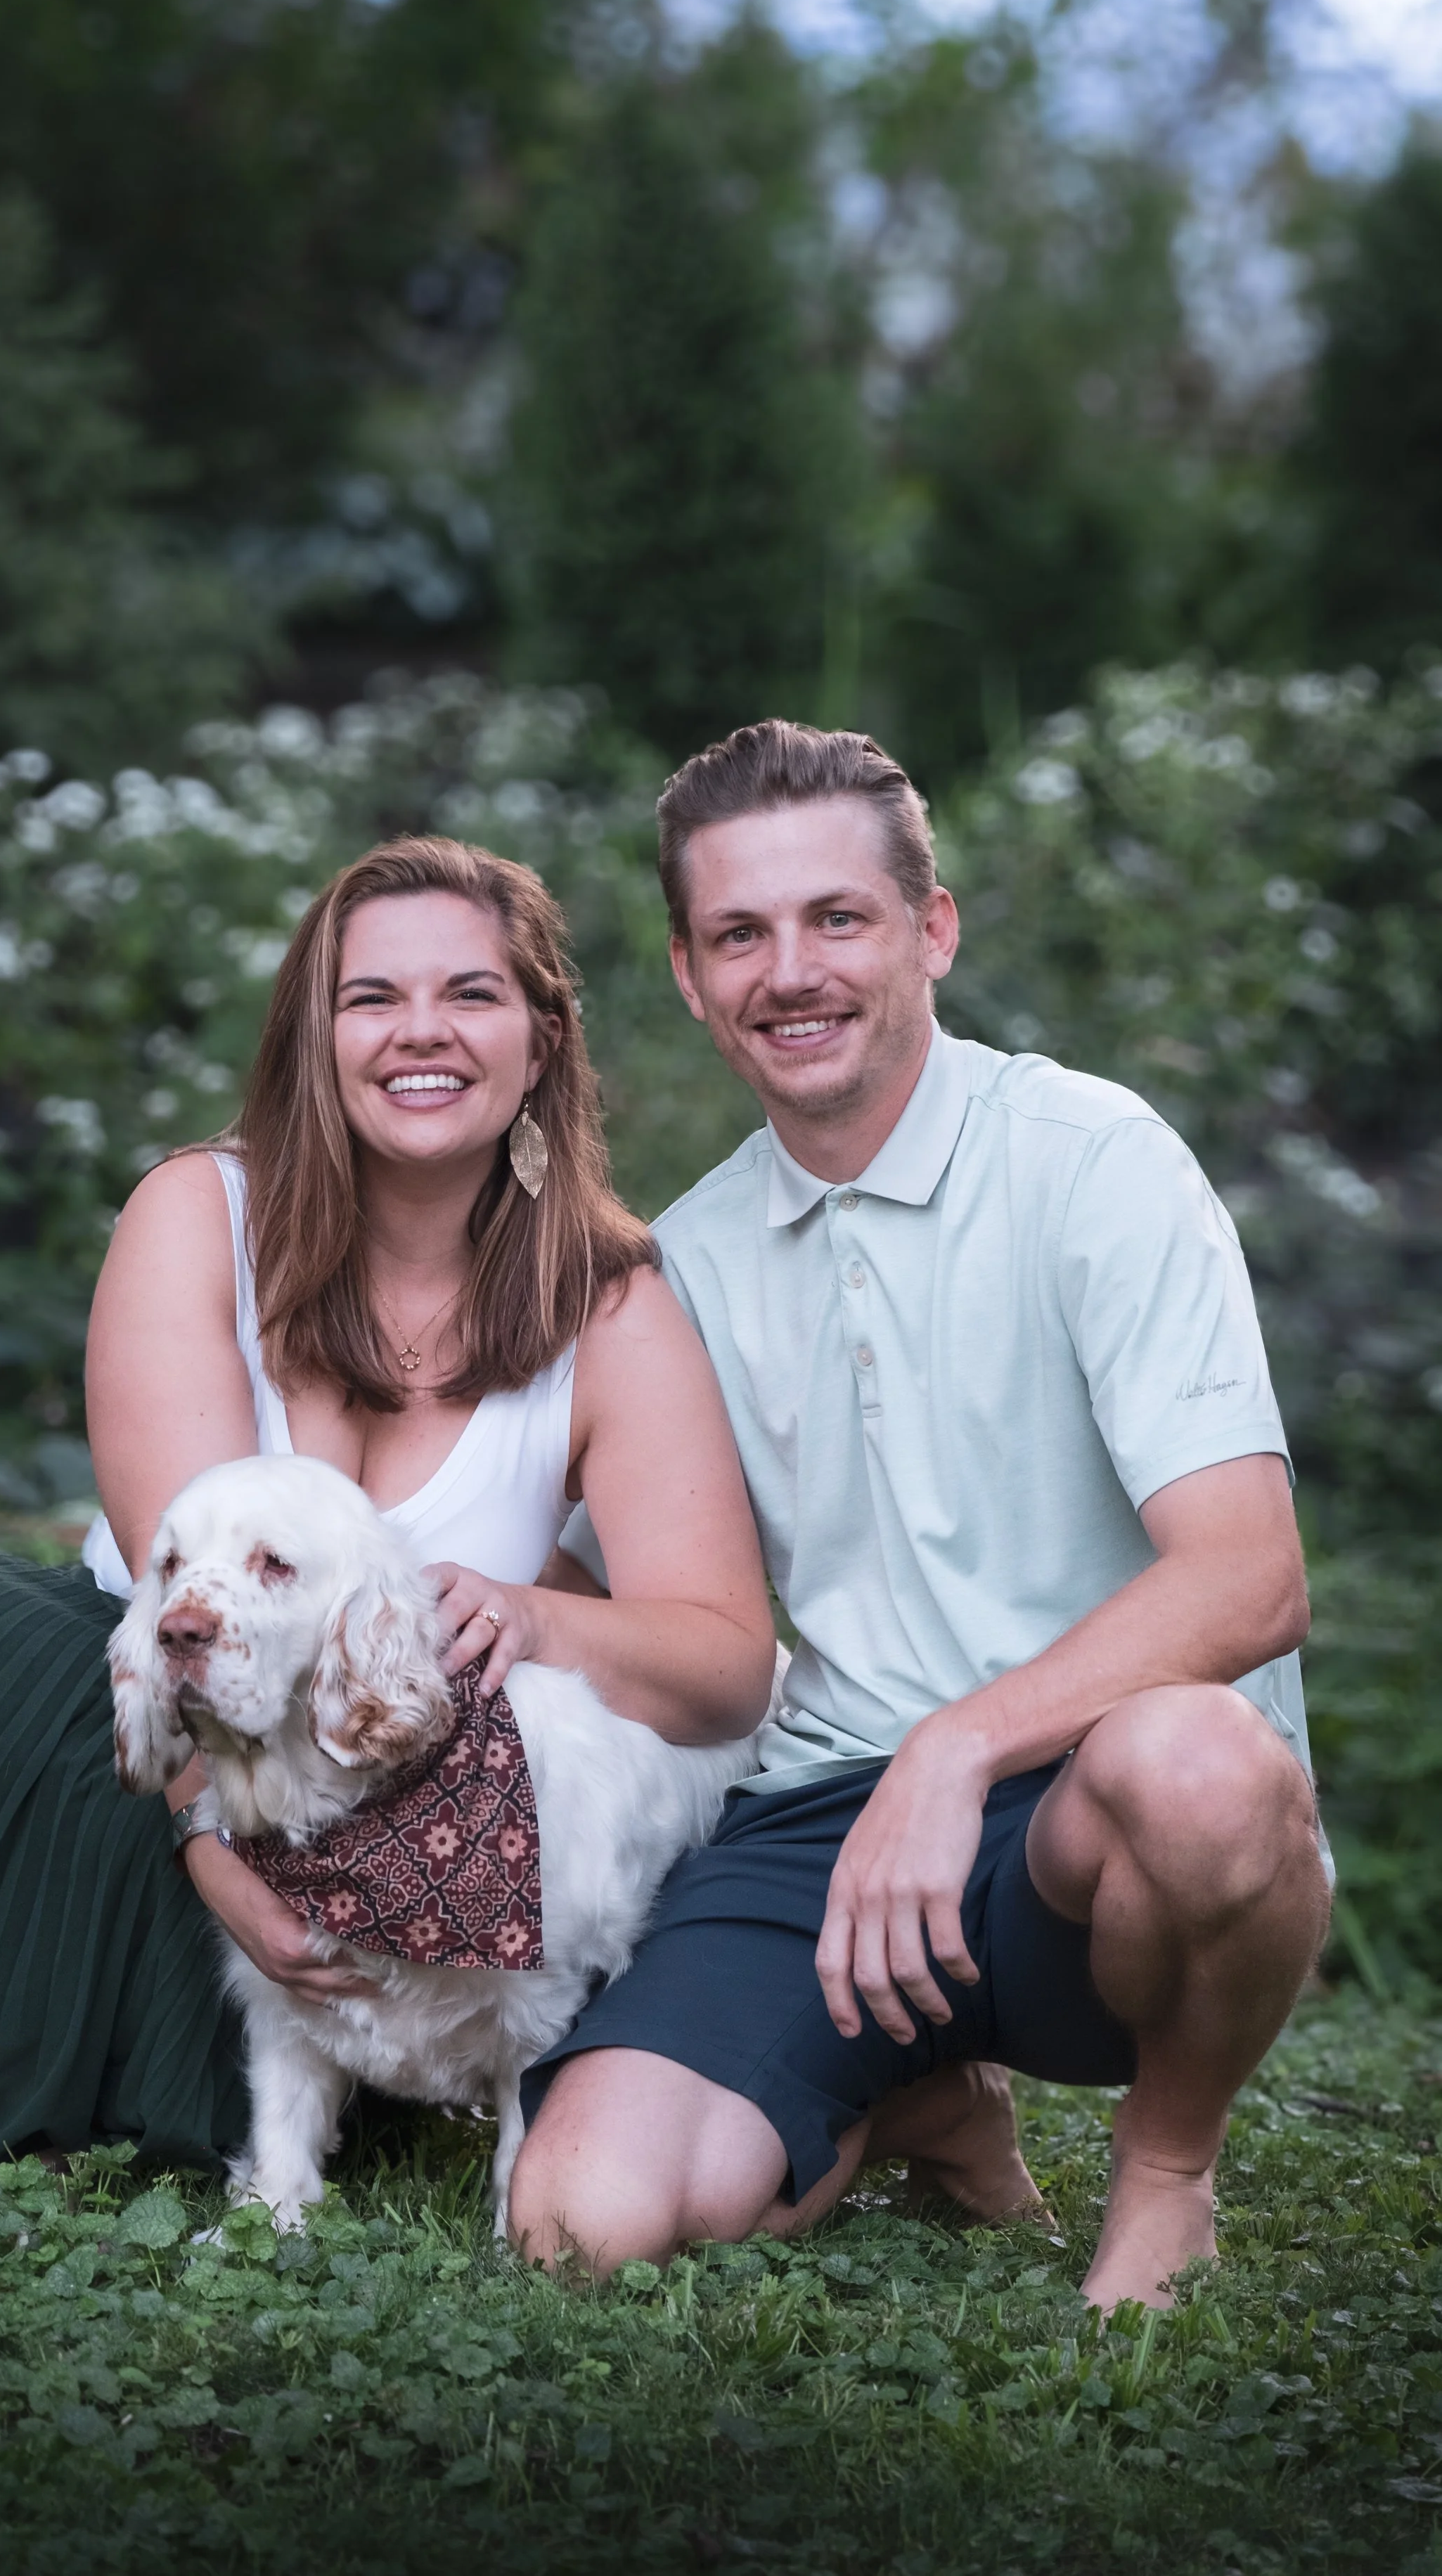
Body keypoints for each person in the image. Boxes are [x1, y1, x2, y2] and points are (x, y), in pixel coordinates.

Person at [0, 835, 780, 2166]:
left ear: (543, 1038)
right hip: (141, 1745)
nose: (420, 1032)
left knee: (406, 1818)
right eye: (371, 997)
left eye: (472, 994)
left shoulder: (610, 1306)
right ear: (315, 1035)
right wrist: (208, 1837)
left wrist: (544, 1618)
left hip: (394, 1802)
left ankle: (282, 2070)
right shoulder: (197, 1211)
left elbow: (727, 1664)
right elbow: (179, 1616)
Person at [510, 721, 1332, 2312]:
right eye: (739, 934)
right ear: (687, 976)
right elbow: (611, 1595)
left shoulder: (1094, 1162)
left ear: (931, 929)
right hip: (821, 1822)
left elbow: (1249, 1577)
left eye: (837, 918)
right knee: (581, 2223)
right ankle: (927, 2101)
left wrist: (956, 1749)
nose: (790, 973)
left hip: (1093, 1819)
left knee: (1201, 1767)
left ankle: (1166, 2168)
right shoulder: (679, 1264)